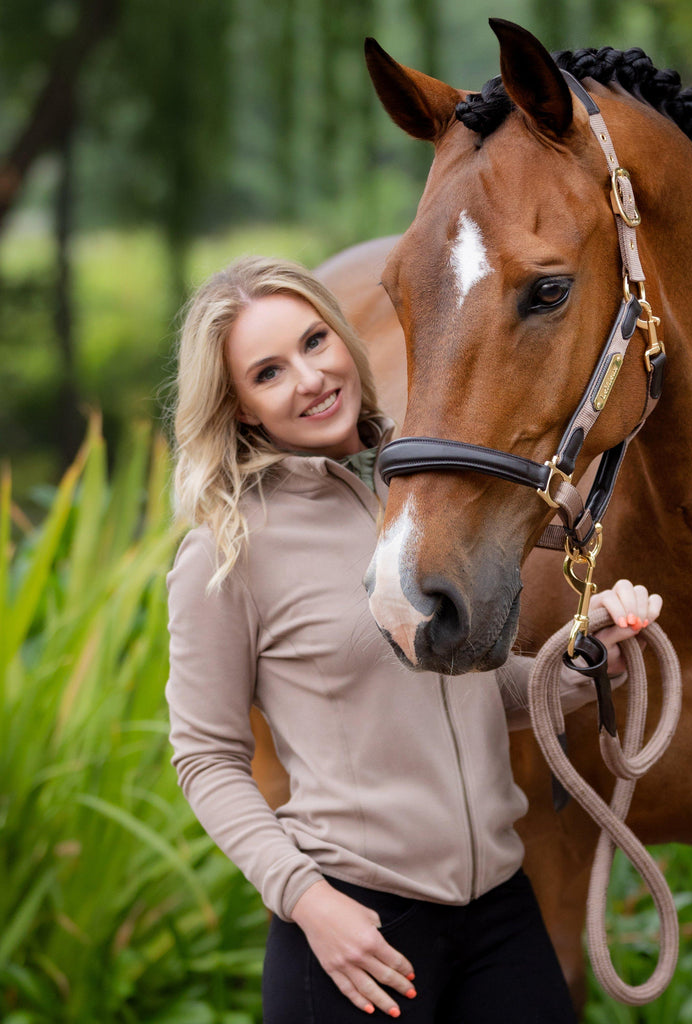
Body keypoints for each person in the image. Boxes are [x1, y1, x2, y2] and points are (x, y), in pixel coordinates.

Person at [165, 255, 663, 1024]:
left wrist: (582, 658)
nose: (309, 377)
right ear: (239, 409)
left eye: (314, 341)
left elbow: (467, 687)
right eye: (268, 372)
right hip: (357, 933)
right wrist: (308, 903)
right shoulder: (229, 549)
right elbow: (204, 755)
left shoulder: (420, 498)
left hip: (498, 912)